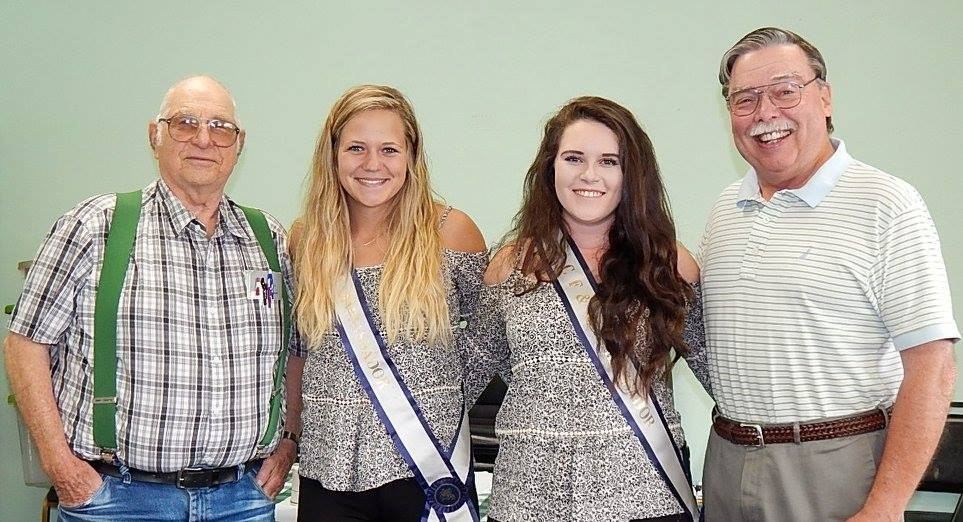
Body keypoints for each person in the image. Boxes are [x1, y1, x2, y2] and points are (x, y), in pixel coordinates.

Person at [4, 76, 300, 521]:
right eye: (185, 123)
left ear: (239, 145)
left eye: (220, 127)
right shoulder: (95, 227)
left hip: (241, 499)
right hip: (117, 501)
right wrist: (60, 465)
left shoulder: (268, 239)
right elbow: (25, 344)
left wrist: (288, 442)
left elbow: (293, 352)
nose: (204, 139)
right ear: (154, 135)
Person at [700, 27, 959, 521]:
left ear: (824, 97)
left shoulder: (886, 204)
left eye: (785, 91)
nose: (765, 113)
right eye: (744, 99)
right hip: (726, 461)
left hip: (836, 468)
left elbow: (933, 367)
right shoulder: (725, 209)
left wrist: (885, 508)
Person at [472, 96, 707, 522]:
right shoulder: (509, 266)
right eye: (574, 158)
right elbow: (470, 373)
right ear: (551, 167)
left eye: (609, 161)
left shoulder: (668, 264)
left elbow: (720, 371)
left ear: (631, 175)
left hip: (645, 495)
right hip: (528, 499)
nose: (589, 175)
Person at [288, 84, 487, 522]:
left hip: (425, 471)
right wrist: (291, 433)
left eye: (389, 149)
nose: (372, 164)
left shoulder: (451, 232)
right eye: (356, 148)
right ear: (333, 155)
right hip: (328, 470)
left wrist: (438, 396)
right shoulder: (306, 239)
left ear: (411, 155)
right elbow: (299, 349)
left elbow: (489, 337)